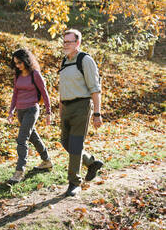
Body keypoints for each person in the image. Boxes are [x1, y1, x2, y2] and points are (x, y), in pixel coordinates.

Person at [59, 29, 104, 197]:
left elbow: (95, 88)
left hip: (82, 106)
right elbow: (62, 87)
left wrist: (97, 113)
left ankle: (74, 183)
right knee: (65, 142)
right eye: (64, 42)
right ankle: (91, 162)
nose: (66, 45)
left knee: (76, 144)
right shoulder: (64, 61)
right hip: (67, 107)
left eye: (69, 42)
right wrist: (61, 109)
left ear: (78, 43)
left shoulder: (85, 60)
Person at [7, 48, 52, 183]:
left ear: (26, 60)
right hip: (20, 111)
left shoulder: (35, 75)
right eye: (15, 63)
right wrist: (11, 111)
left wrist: (48, 112)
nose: (18, 66)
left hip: (32, 109)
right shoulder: (17, 75)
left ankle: (19, 171)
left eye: (20, 62)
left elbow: (45, 93)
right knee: (33, 137)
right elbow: (15, 94)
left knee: (22, 139)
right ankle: (47, 160)